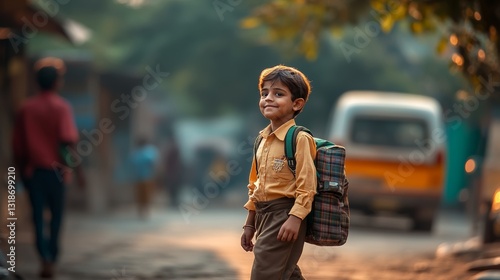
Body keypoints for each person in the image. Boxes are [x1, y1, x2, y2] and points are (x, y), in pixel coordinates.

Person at [240, 65, 317, 279]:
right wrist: (250, 223)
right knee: (286, 273)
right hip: (264, 216)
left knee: (264, 272)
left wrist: (295, 218)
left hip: (284, 215)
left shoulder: (299, 138)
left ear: (297, 104)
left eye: (278, 94)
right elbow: (255, 186)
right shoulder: (261, 140)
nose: (268, 98)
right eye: (264, 93)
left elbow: (307, 185)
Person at [12, 57, 85, 279]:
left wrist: (19, 173)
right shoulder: (61, 107)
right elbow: (67, 143)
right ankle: (51, 257)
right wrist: (79, 171)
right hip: (57, 173)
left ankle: (44, 256)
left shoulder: (26, 108)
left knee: (36, 217)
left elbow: (18, 147)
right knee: (56, 217)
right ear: (56, 83)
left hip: (33, 172)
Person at [130, 137, 160, 218]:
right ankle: (144, 211)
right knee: (143, 195)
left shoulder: (143, 152)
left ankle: (144, 211)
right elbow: (153, 163)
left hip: (144, 177)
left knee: (143, 195)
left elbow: (133, 163)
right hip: (145, 177)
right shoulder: (147, 152)